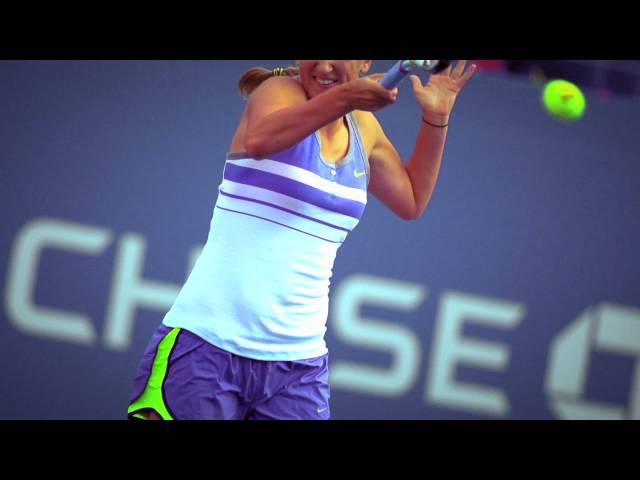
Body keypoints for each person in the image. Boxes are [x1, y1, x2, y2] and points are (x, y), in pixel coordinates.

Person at [127, 60, 476, 420]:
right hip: (206, 348)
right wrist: (346, 96)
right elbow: (261, 141)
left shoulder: (365, 128)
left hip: (298, 369)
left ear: (365, 63)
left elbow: (412, 201)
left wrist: (437, 117)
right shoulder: (277, 92)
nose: (324, 65)